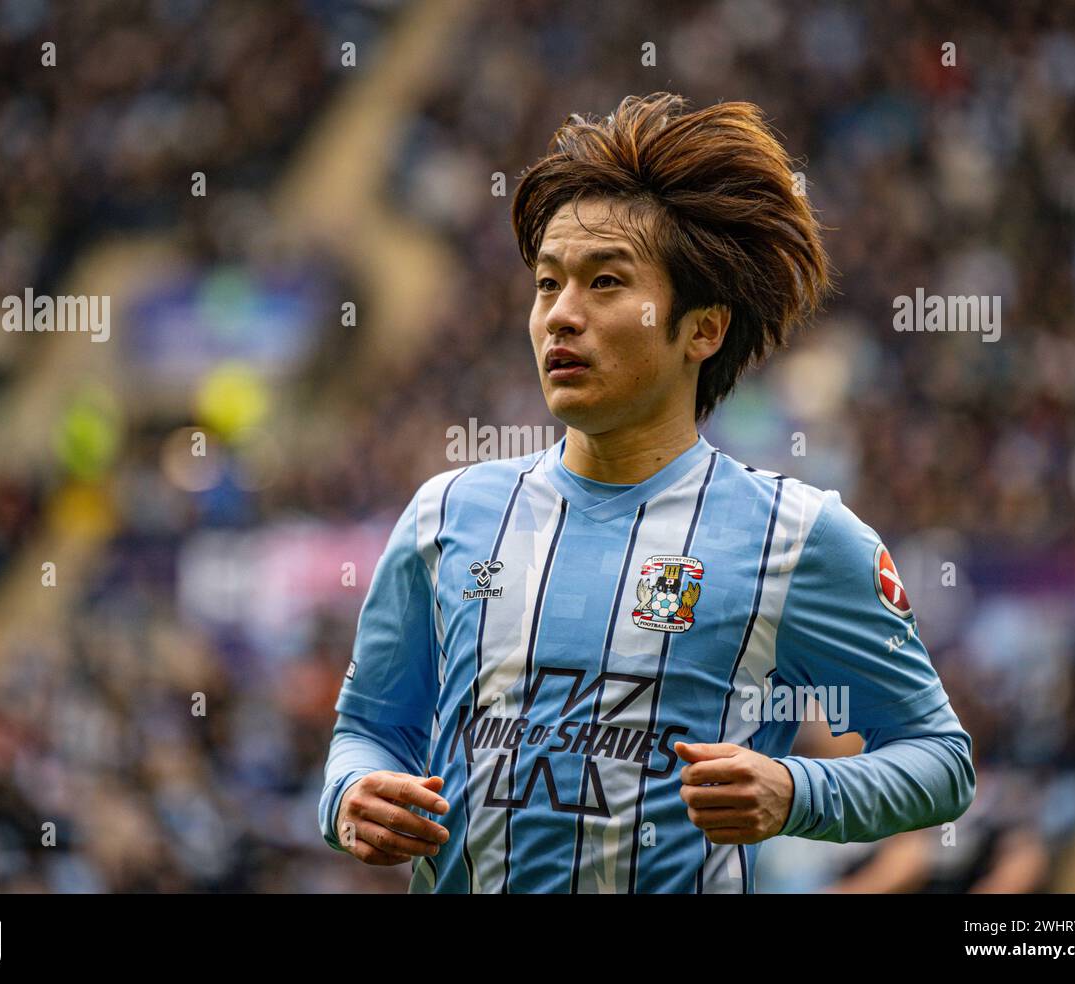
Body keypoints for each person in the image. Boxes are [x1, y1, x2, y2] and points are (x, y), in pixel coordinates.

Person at [318, 92, 975, 893]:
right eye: (547, 284)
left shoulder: (799, 539)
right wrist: (350, 795)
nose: (561, 315)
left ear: (702, 328)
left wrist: (796, 791)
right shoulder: (446, 516)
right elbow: (370, 727)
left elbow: (941, 760)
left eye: (603, 283)